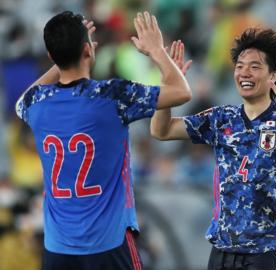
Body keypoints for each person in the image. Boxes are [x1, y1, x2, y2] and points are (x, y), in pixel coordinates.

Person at [151, 28, 276, 269]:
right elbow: (162, 130)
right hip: (222, 250)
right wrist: (167, 84)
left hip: (266, 252)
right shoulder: (222, 118)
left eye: (254, 67)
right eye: (240, 66)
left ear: (273, 76)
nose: (244, 72)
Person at [15, 11, 191, 270]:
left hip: (58, 247)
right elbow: (181, 91)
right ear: (88, 49)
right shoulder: (111, 96)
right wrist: (157, 51)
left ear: (51, 56)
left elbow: (22, 100)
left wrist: (64, 52)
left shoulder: (36, 103)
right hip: (108, 242)